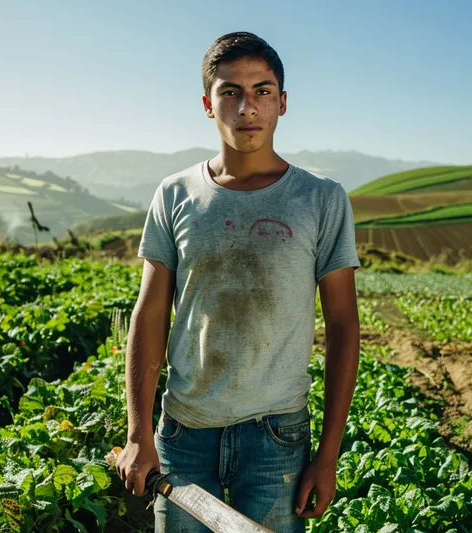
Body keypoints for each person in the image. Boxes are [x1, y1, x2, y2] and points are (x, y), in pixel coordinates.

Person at [109, 31, 361, 533]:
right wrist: (139, 434)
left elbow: (343, 325)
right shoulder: (175, 193)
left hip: (277, 435)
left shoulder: (321, 199)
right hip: (184, 431)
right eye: (231, 92)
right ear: (208, 104)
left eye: (263, 91)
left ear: (283, 102)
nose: (248, 106)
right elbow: (150, 313)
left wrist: (328, 454)